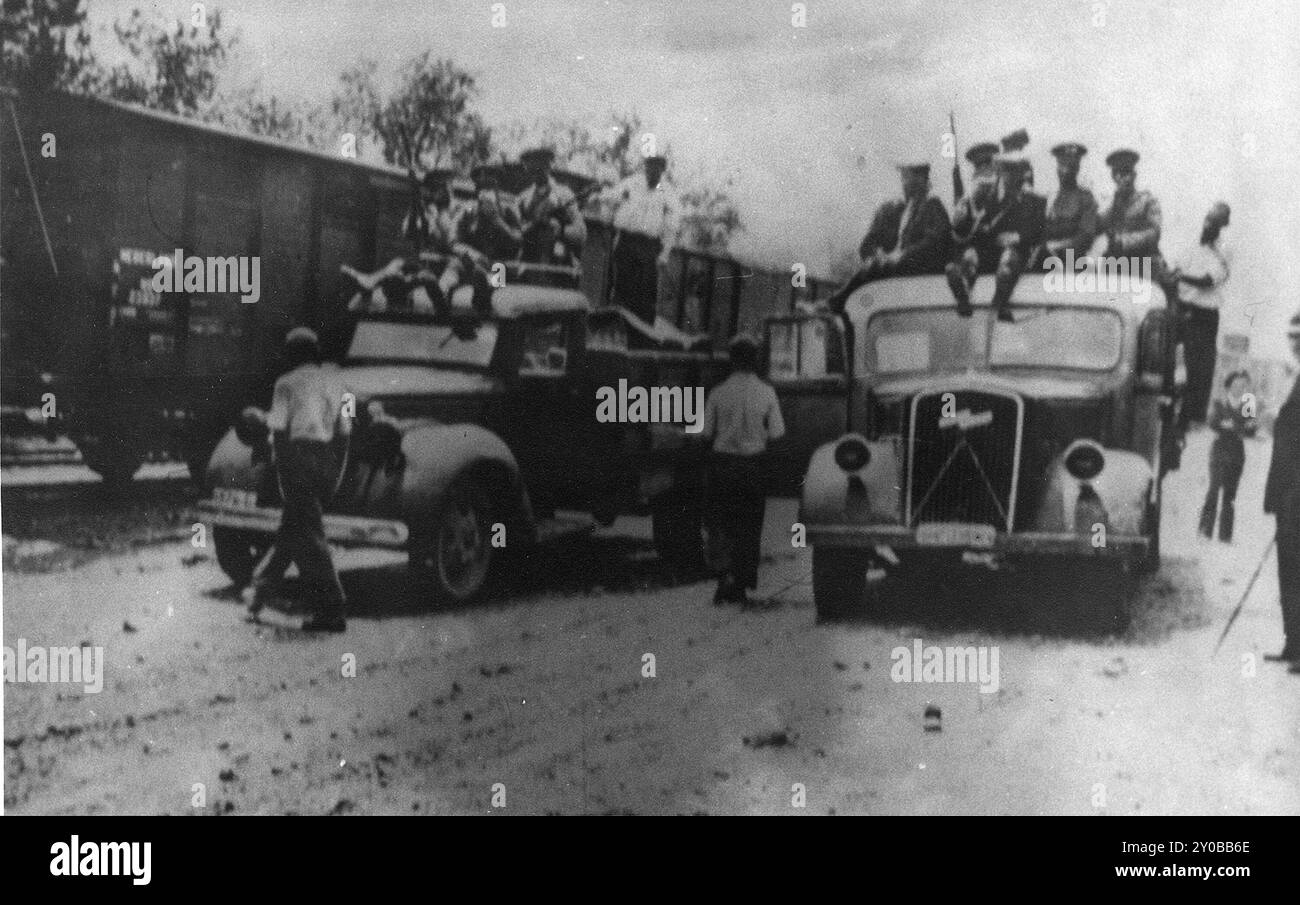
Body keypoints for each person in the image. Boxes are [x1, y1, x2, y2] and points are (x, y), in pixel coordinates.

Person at [245, 327, 350, 633]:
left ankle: (333, 610)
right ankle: (258, 594)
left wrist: (281, 473)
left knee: (312, 538)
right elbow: (345, 431)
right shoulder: (335, 382)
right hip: (327, 457)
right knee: (292, 530)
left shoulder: (285, 384)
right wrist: (335, 473)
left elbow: (277, 430)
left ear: (291, 355)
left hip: (296, 460)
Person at [701, 335, 786, 606]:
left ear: (732, 360)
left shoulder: (718, 392)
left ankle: (723, 574)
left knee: (720, 524)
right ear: (755, 361)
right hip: (752, 467)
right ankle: (741, 580)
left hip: (722, 465)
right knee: (749, 526)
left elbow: (705, 432)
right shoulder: (767, 392)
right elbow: (777, 432)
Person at [824, 162, 952, 313]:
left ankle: (834, 304)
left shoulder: (933, 206)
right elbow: (867, 245)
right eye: (903, 177)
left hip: (919, 275)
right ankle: (836, 306)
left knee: (872, 269)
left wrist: (901, 256)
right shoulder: (896, 210)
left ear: (921, 179)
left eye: (906, 177)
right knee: (872, 267)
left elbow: (935, 242)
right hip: (897, 273)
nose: (903, 182)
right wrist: (879, 254)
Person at [946, 155, 1045, 321]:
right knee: (970, 256)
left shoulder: (1034, 200)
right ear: (999, 172)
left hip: (1017, 254)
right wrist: (962, 217)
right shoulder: (988, 197)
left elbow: (1040, 231)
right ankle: (963, 291)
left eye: (1014, 171)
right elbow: (969, 232)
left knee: (1008, 261)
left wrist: (1018, 237)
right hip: (990, 252)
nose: (1009, 176)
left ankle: (999, 302)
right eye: (1005, 170)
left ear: (1022, 174)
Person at [1173, 202, 1232, 428]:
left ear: (1222, 226)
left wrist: (1180, 277)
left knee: (1198, 367)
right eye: (1208, 219)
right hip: (1181, 307)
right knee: (1169, 357)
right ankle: (1170, 410)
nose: (1209, 225)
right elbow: (1175, 266)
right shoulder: (1191, 244)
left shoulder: (1224, 250)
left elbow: (1208, 281)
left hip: (1204, 313)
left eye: (1215, 222)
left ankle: (1189, 418)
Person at [604, 153, 680, 325]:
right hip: (626, 241)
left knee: (645, 292)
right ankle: (615, 328)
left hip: (648, 246)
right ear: (645, 167)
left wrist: (664, 254)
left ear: (662, 171)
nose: (653, 172)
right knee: (620, 288)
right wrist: (610, 221)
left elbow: (671, 226)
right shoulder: (632, 183)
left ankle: (642, 336)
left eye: (657, 169)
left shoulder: (666, 191)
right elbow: (610, 199)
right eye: (650, 167)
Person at [1265, 314, 1300, 668]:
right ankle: (1293, 645)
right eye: (1292, 336)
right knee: (1288, 570)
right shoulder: (1294, 379)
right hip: (1288, 494)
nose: (1295, 343)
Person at [1198, 370, 1258, 543]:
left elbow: (1251, 429)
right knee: (1213, 490)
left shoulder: (1248, 402)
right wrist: (1236, 426)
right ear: (1228, 385)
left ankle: (1225, 535)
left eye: (1243, 386)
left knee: (1230, 495)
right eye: (1236, 385)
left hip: (1237, 453)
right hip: (1219, 451)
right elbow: (1213, 423)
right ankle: (1205, 531)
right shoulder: (1219, 402)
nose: (1239, 388)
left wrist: (1234, 425)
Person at [516, 146, 587, 278]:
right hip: (528, 263)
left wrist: (560, 230)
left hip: (557, 264)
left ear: (548, 165)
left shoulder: (563, 195)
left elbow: (581, 234)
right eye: (531, 165)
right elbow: (516, 231)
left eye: (540, 164)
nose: (536, 169)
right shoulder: (523, 198)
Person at [1031, 142, 1099, 268]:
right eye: (1062, 165)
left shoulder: (1086, 198)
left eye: (1071, 166)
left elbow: (1086, 237)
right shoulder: (1050, 197)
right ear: (1057, 167)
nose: (1066, 171)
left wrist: (1054, 246)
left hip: (1074, 261)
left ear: (1077, 168)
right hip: (1046, 259)